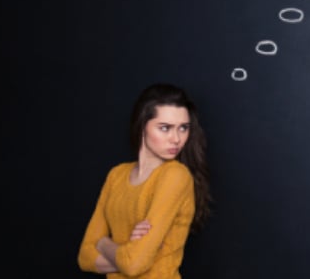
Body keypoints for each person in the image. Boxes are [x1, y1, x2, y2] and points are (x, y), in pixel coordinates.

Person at [78, 83, 212, 278]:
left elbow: (134, 265)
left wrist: (103, 243)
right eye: (165, 128)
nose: (176, 138)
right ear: (142, 125)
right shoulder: (116, 175)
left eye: (183, 128)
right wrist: (130, 254)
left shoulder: (175, 176)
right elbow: (84, 257)